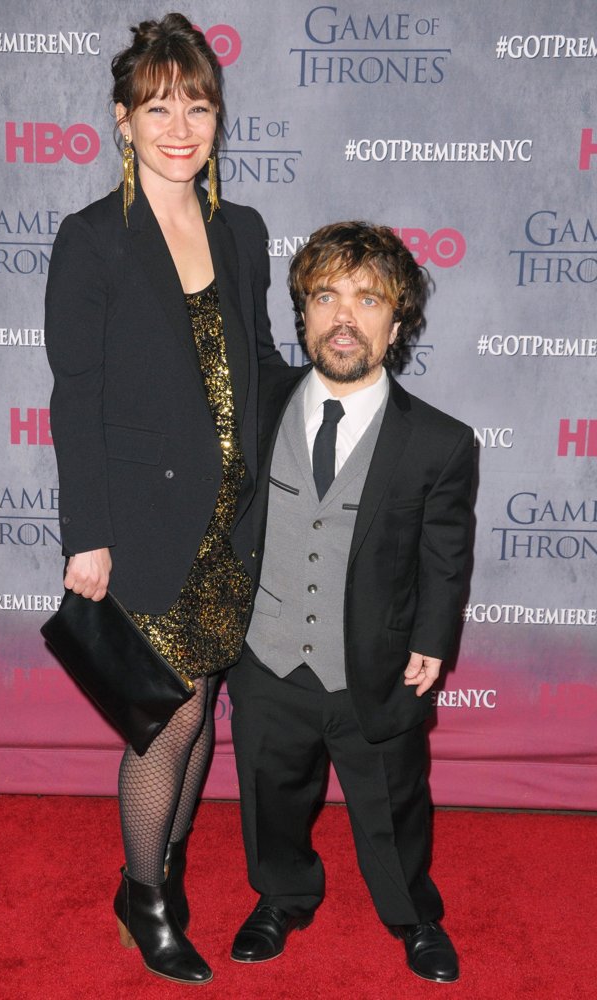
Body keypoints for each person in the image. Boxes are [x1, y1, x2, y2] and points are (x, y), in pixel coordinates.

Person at [44, 13, 281, 986]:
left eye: (197, 106)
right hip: (142, 523)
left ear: (218, 117)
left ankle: (164, 872)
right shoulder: (93, 239)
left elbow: (257, 362)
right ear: (122, 119)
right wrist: (87, 535)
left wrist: (340, 400)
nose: (179, 127)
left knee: (204, 705)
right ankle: (143, 898)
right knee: (167, 718)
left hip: (232, 521)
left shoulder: (242, 230)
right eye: (157, 108)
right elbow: (75, 396)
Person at [227, 221, 474, 984]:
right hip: (265, 656)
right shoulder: (256, 403)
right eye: (326, 296)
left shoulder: (440, 442)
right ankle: (282, 896)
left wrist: (433, 638)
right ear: (302, 313)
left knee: (393, 806)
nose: (344, 317)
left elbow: (444, 555)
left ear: (397, 324)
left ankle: (413, 915)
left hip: (376, 663)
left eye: (369, 300)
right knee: (270, 795)